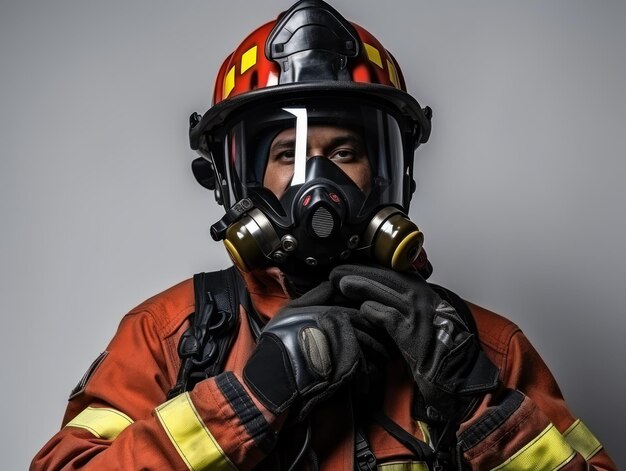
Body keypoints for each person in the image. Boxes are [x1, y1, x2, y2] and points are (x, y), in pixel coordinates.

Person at [31, 1, 616, 470]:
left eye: (344, 151)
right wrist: (250, 395)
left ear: (389, 171)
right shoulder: (171, 338)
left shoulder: (483, 350)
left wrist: (479, 402)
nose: (319, 182)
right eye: (288, 154)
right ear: (236, 179)